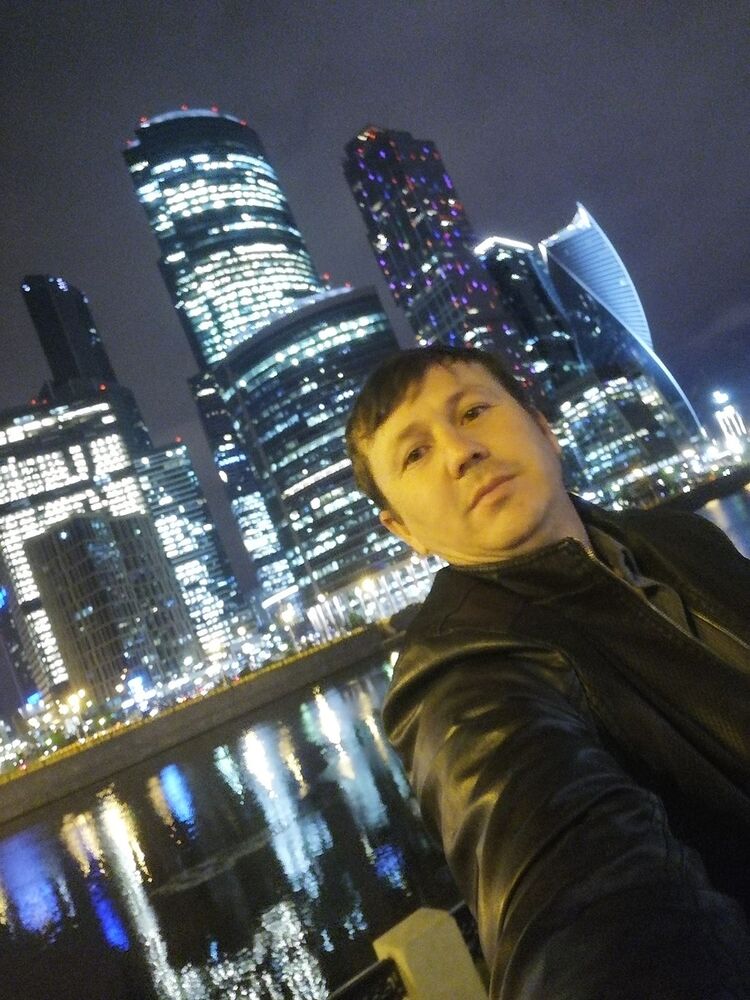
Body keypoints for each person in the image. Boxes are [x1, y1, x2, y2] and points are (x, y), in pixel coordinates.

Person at [345, 345, 750, 999]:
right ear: (403, 530)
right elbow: (585, 919)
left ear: (543, 428)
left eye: (472, 412)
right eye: (415, 454)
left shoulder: (680, 538)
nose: (460, 452)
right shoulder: (461, 678)